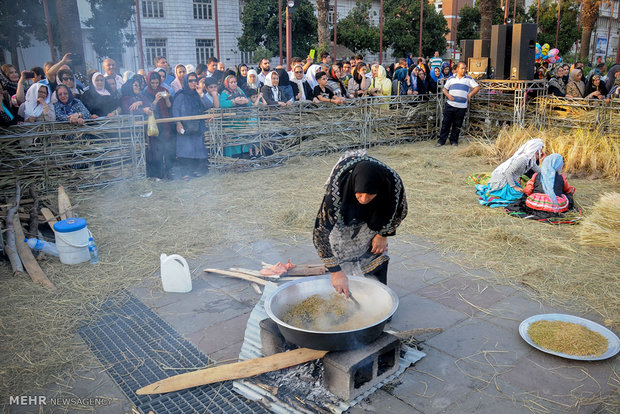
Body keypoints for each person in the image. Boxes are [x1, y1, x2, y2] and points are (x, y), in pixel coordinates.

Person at [313, 151, 408, 297]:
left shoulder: (392, 182)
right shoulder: (338, 187)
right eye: (360, 194)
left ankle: (378, 296)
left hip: (375, 214)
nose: (364, 199)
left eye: (370, 194)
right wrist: (335, 272)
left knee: (375, 253)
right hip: (345, 211)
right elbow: (320, 232)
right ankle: (344, 294)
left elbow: (400, 212)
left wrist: (383, 233)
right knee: (339, 247)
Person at [475, 139, 544, 208]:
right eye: (538, 154)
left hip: (510, 180)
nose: (539, 156)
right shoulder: (522, 159)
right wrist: (514, 186)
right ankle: (500, 192)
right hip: (503, 181)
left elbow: (540, 171)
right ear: (532, 152)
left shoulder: (530, 161)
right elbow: (508, 172)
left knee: (522, 194)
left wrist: (542, 161)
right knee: (519, 197)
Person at [172, 72, 208, 179]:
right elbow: (175, 109)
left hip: (198, 126)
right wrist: (178, 123)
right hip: (185, 126)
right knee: (185, 149)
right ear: (186, 82)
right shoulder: (181, 94)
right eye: (190, 81)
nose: (193, 83)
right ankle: (186, 173)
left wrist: (201, 94)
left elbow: (208, 105)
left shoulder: (198, 94)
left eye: (194, 80)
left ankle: (198, 170)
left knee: (198, 149)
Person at [436, 61, 480, 147]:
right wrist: (448, 95)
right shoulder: (451, 78)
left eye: (465, 68)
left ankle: (454, 141)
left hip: (461, 106)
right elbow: (444, 89)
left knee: (457, 124)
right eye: (462, 68)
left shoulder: (469, 79)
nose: (464, 70)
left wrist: (470, 94)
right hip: (450, 105)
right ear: (457, 69)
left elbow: (477, 87)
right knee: (446, 123)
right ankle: (441, 141)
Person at [141, 71, 175, 180]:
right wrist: (155, 100)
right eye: (152, 83)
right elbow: (149, 109)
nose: (155, 85)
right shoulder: (146, 93)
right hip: (154, 125)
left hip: (165, 124)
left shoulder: (164, 90)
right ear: (149, 82)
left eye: (157, 82)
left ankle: (169, 172)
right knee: (157, 150)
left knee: (168, 148)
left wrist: (166, 98)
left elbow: (169, 106)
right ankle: (158, 174)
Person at [521, 153, 575, 217]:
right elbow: (568, 190)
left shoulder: (536, 175)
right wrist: (572, 190)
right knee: (567, 195)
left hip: (535, 204)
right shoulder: (561, 177)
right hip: (555, 206)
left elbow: (527, 190)